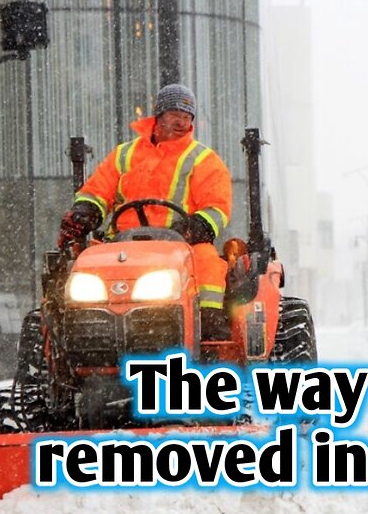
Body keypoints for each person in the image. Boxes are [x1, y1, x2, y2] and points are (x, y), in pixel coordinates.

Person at [57, 84, 235, 340]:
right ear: (159, 116)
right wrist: (84, 212)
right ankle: (78, 333)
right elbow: (97, 191)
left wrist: (195, 227)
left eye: (187, 117)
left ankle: (207, 326)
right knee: (81, 269)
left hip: (180, 244)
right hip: (121, 244)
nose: (181, 122)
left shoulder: (203, 160)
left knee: (207, 261)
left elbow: (217, 206)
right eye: (175, 114)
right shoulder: (124, 155)